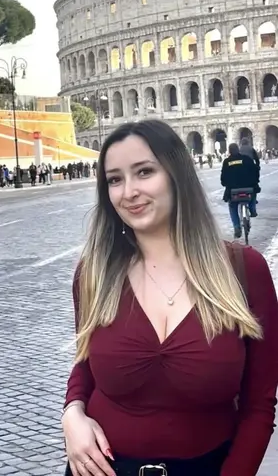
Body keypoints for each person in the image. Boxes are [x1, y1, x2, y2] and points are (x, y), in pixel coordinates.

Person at [62, 120, 278, 476]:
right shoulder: (94, 272)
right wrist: (72, 412)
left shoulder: (244, 270)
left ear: (177, 175)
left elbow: (259, 405)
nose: (129, 191)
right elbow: (87, 360)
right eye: (114, 179)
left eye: (144, 172)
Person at [221, 143, 259, 239]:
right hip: (248, 188)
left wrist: (225, 183)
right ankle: (252, 210)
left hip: (233, 190)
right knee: (253, 195)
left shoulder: (227, 162)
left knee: (232, 207)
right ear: (238, 150)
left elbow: (223, 177)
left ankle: (236, 226)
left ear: (229, 151)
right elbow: (255, 171)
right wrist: (255, 181)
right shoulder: (247, 159)